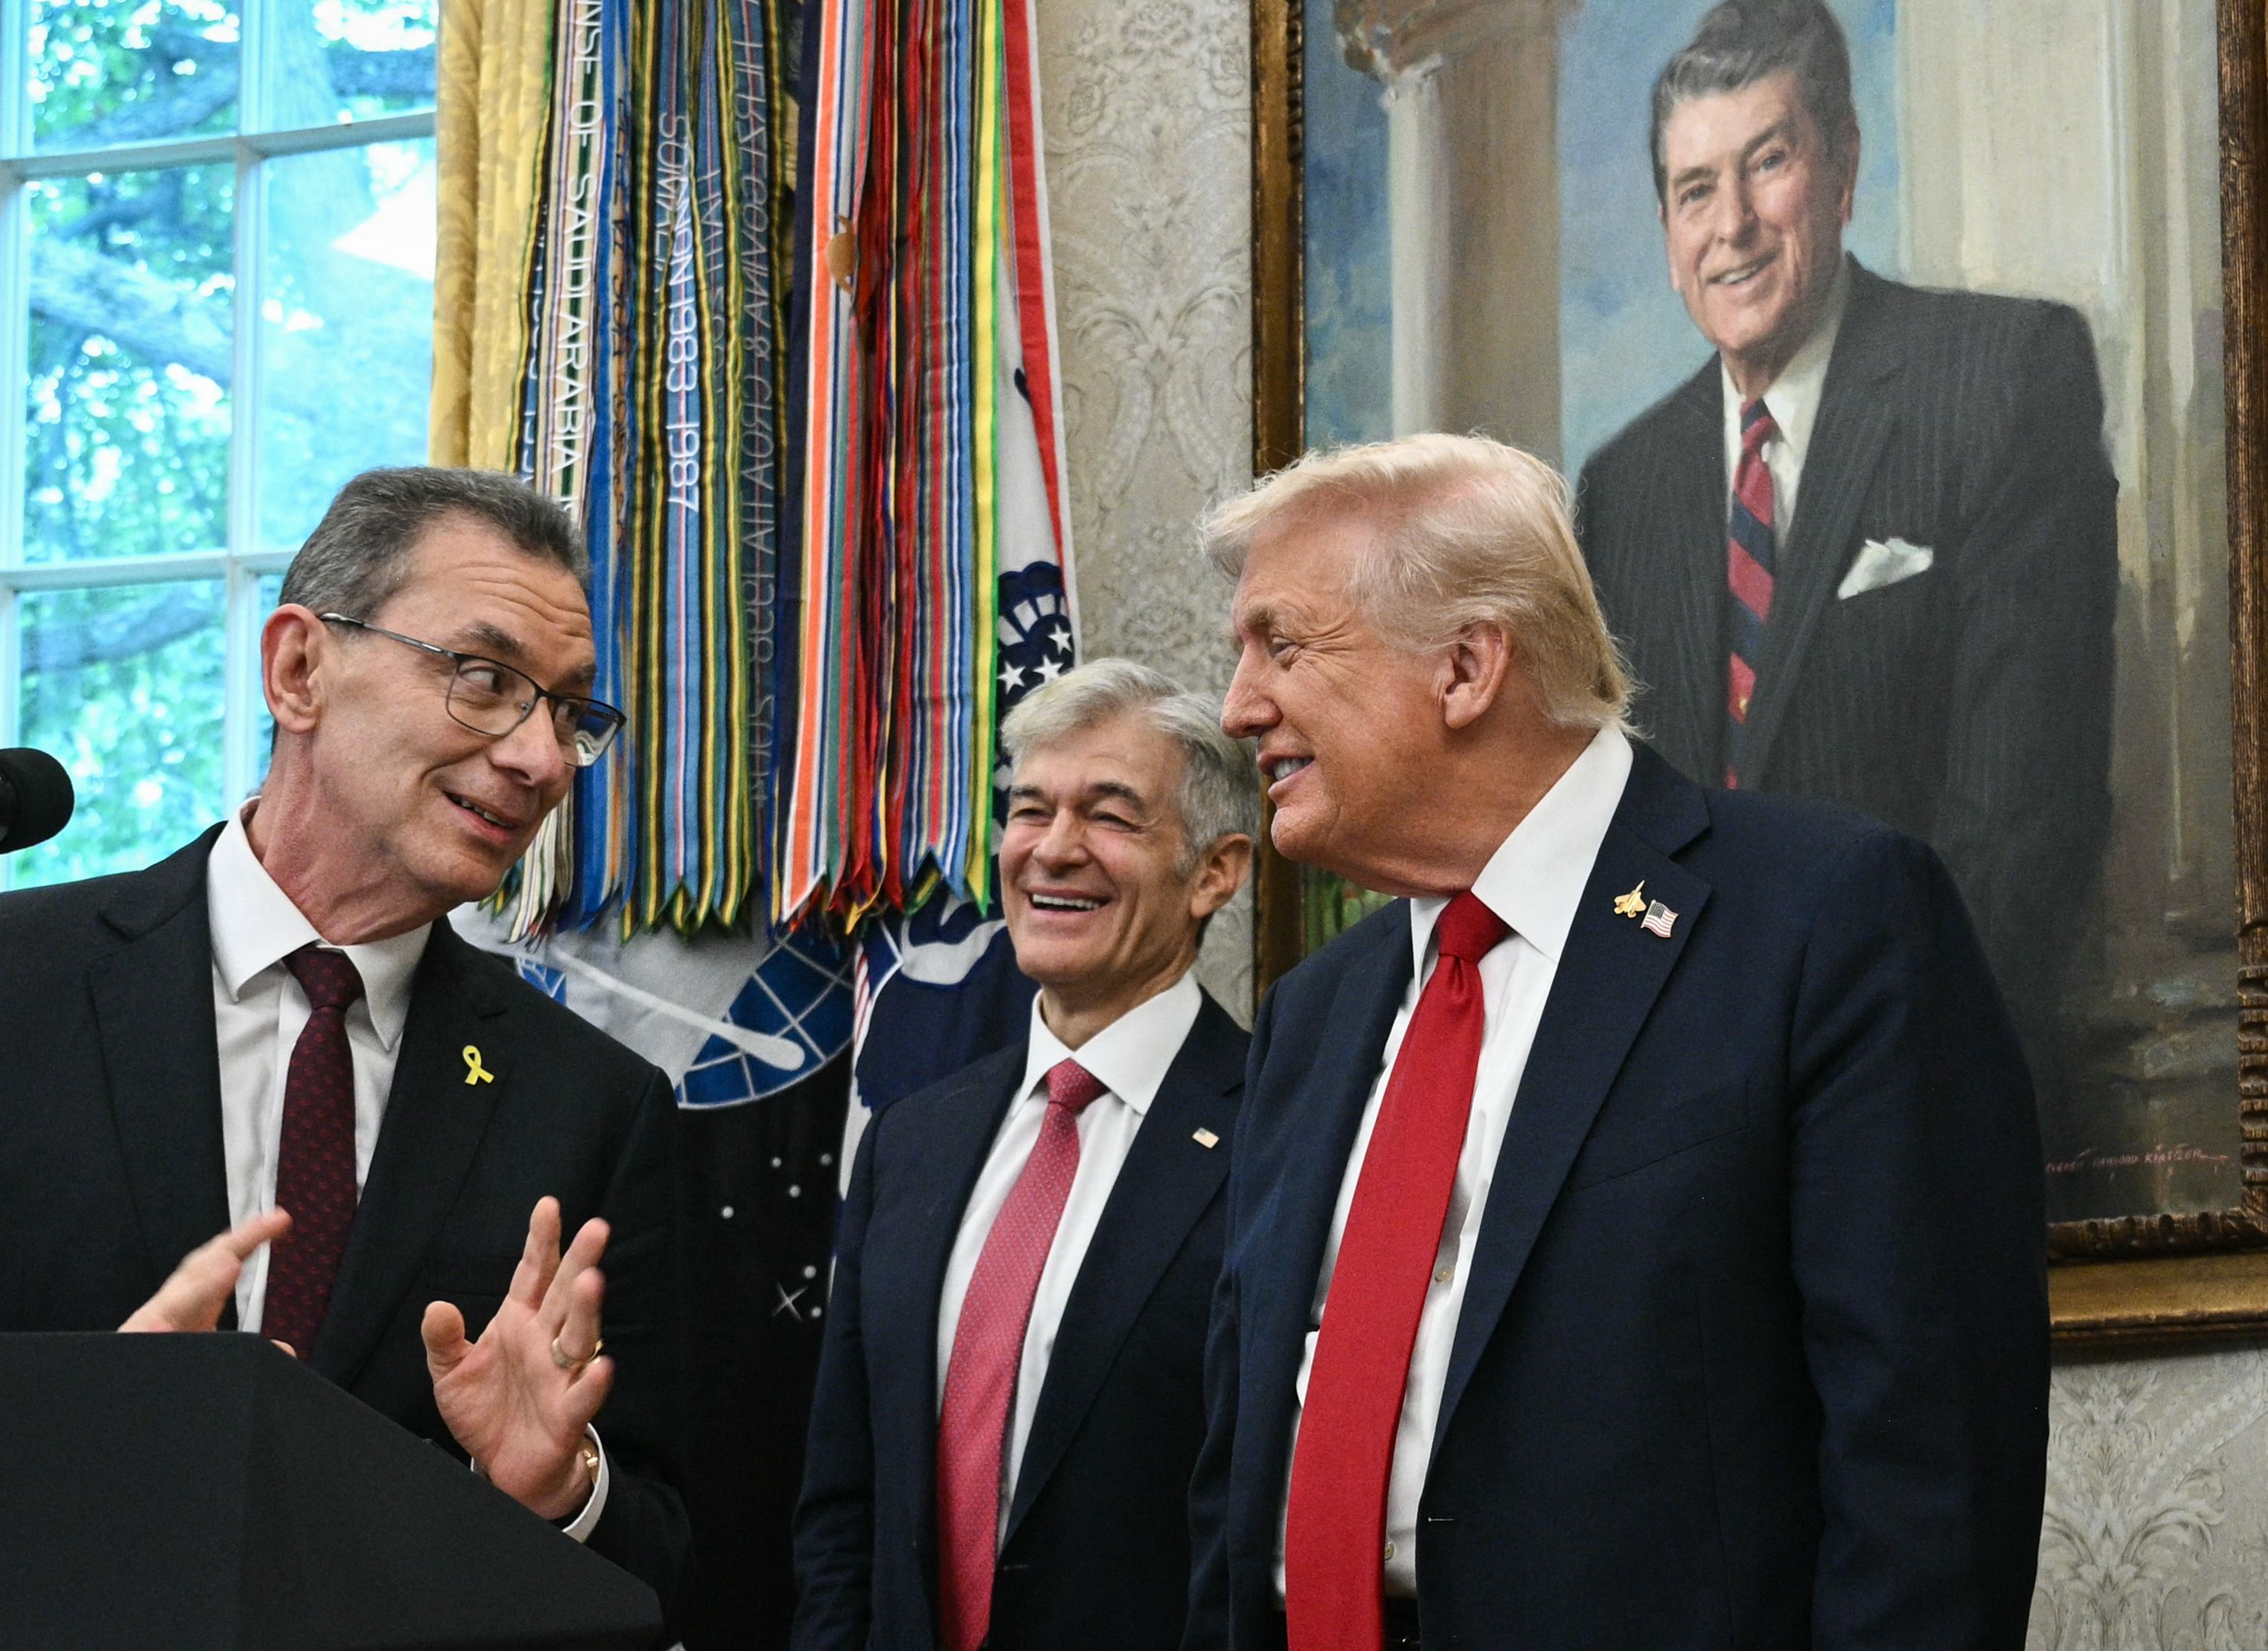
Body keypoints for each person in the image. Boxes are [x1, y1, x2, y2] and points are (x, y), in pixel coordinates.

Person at [1187, 432, 2048, 1649]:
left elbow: (1929, 1466)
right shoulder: (1312, 1016)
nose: (1237, 708)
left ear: (1465, 666)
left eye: (1282, 644)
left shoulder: (1824, 919)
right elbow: (1236, 1479)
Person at [0, 467, 689, 1608]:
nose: (541, 759)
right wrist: (70, 1431)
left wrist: (555, 1488)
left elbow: (664, 1559)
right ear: (299, 669)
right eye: (485, 678)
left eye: (570, 711)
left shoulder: (592, 1101)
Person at [1572, 0, 2117, 1085]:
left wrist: (1833, 1079)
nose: (1729, 224)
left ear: (1841, 168)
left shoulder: (2002, 380)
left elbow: (2020, 823)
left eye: (1765, 163)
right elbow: (1614, 849)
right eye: (1693, 191)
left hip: (1919, 1077)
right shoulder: (1619, 490)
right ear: (1668, 236)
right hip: (1686, 1112)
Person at [795, 659, 1257, 1651]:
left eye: (1109, 816)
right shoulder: (913, 1136)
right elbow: (845, 1498)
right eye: (1028, 809)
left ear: (1215, 871)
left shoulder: (1284, 1135)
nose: (1051, 850)